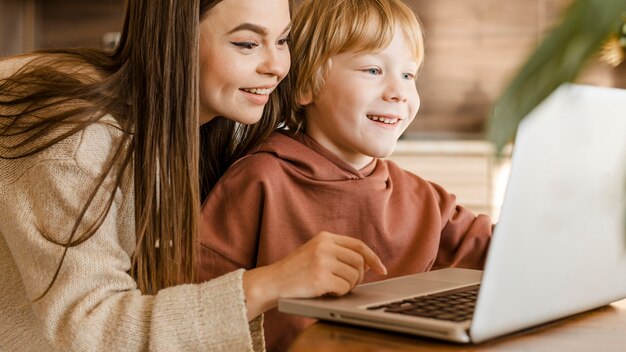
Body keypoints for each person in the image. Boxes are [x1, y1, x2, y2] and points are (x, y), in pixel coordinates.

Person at [0, 0, 387, 351]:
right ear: (176, 42)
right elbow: (91, 328)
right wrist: (273, 283)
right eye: (247, 44)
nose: (277, 66)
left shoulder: (213, 119)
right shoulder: (76, 141)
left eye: (282, 40)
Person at [197, 0, 494, 350]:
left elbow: (500, 253)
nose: (398, 92)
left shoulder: (423, 197)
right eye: (372, 70)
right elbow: (202, 305)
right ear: (307, 85)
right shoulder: (258, 180)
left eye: (408, 75)